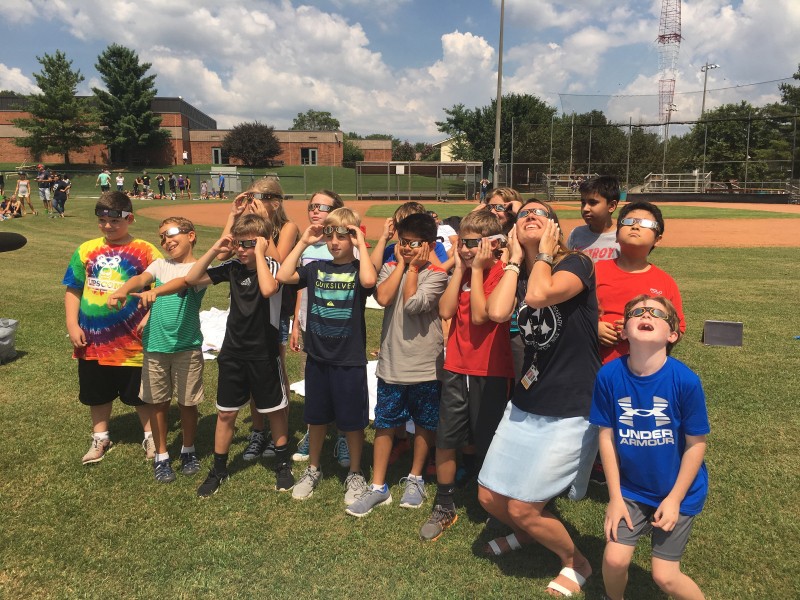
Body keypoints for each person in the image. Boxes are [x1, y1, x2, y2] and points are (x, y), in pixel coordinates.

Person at [477, 199, 600, 597]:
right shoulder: (523, 272)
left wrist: (544, 253)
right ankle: (529, 535)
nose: (531, 215)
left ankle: (576, 561)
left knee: (522, 507)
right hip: (527, 402)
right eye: (524, 213)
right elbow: (498, 313)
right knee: (489, 497)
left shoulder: (576, 264)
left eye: (541, 213)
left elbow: (541, 296)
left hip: (570, 406)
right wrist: (514, 260)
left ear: (555, 228)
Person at [590, 295, 709, 600]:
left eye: (657, 313)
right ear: (624, 330)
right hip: (631, 488)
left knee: (665, 576)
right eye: (637, 312)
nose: (646, 314)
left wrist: (674, 499)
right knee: (614, 560)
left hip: (678, 489)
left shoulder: (685, 381)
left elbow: (696, 445)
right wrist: (615, 497)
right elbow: (606, 437)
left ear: (672, 334)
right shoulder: (609, 376)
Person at [419, 209, 514, 542]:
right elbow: (445, 311)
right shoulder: (463, 271)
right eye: (462, 242)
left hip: (491, 371)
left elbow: (480, 316)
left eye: (473, 243)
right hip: (457, 368)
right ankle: (445, 504)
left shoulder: (504, 274)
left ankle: (494, 508)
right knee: (446, 440)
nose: (465, 249)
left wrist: (473, 270)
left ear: (491, 244)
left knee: (489, 443)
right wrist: (460, 268)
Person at [345, 213, 449, 517]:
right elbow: (384, 296)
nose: (406, 248)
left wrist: (415, 268)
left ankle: (415, 477)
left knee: (424, 423)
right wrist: (403, 265)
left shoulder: (438, 275)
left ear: (429, 245)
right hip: (392, 362)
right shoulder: (391, 267)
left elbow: (414, 304)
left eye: (414, 244)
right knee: (385, 422)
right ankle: (378, 486)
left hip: (426, 364)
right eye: (402, 243)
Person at [185, 214, 293, 497]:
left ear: (261, 243)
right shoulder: (233, 267)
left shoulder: (272, 267)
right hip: (233, 351)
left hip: (263, 352)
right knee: (226, 413)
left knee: (275, 410)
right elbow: (191, 278)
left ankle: (282, 462)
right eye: (238, 244)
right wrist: (215, 249)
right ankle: (219, 468)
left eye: (247, 244)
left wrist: (260, 251)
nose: (240, 250)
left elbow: (269, 289)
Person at [276, 207, 377, 504]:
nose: (335, 241)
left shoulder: (359, 270)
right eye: (330, 234)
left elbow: (370, 282)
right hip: (318, 358)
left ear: (355, 236)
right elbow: (283, 275)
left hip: (349, 360)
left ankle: (356, 473)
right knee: (316, 418)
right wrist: (304, 242)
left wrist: (360, 245)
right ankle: (313, 469)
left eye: (343, 235)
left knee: (352, 421)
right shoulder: (317, 267)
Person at [107, 217, 208, 484]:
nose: (166, 240)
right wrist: (122, 290)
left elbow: (187, 281)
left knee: (188, 403)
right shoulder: (159, 265)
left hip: (187, 348)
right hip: (154, 346)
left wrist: (158, 292)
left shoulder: (201, 270)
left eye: (172, 233)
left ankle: (188, 449)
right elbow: (141, 278)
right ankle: (162, 455)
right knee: (157, 402)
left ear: (191, 235)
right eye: (161, 236)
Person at [62, 191, 160, 465]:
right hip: (93, 340)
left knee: (141, 394)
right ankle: (100, 436)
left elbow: (161, 289)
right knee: (96, 392)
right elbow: (73, 289)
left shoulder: (146, 251)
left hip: (132, 341)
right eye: (102, 220)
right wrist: (72, 324)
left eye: (114, 221)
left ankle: (151, 437)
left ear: (130, 218)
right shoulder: (86, 250)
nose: (107, 226)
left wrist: (149, 316)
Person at [221, 178, 300, 463]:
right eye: (251, 196)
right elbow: (228, 250)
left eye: (258, 197)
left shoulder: (287, 227)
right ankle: (257, 430)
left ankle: (280, 428)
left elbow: (278, 259)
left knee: (274, 367)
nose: (253, 201)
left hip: (275, 307)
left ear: (274, 201)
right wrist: (235, 217)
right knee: (254, 373)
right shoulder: (247, 223)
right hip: (248, 306)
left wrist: (263, 231)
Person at [287, 190, 350, 465]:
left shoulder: (346, 244)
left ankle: (344, 436)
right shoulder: (310, 245)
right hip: (310, 323)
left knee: (342, 387)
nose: (314, 210)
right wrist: (295, 324)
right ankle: (313, 433)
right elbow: (299, 286)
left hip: (341, 328)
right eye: (311, 205)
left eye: (322, 206)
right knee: (313, 383)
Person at [595, 201, 685, 365]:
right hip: (594, 366)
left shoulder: (665, 282)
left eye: (645, 223)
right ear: (616, 235)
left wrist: (645, 325)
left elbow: (678, 329)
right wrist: (593, 327)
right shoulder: (594, 271)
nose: (635, 226)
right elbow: (571, 314)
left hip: (644, 370)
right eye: (628, 222)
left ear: (657, 239)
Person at [566, 175, 621, 262]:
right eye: (583, 203)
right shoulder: (576, 234)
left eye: (592, 203)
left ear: (611, 206)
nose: (585, 208)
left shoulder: (622, 238)